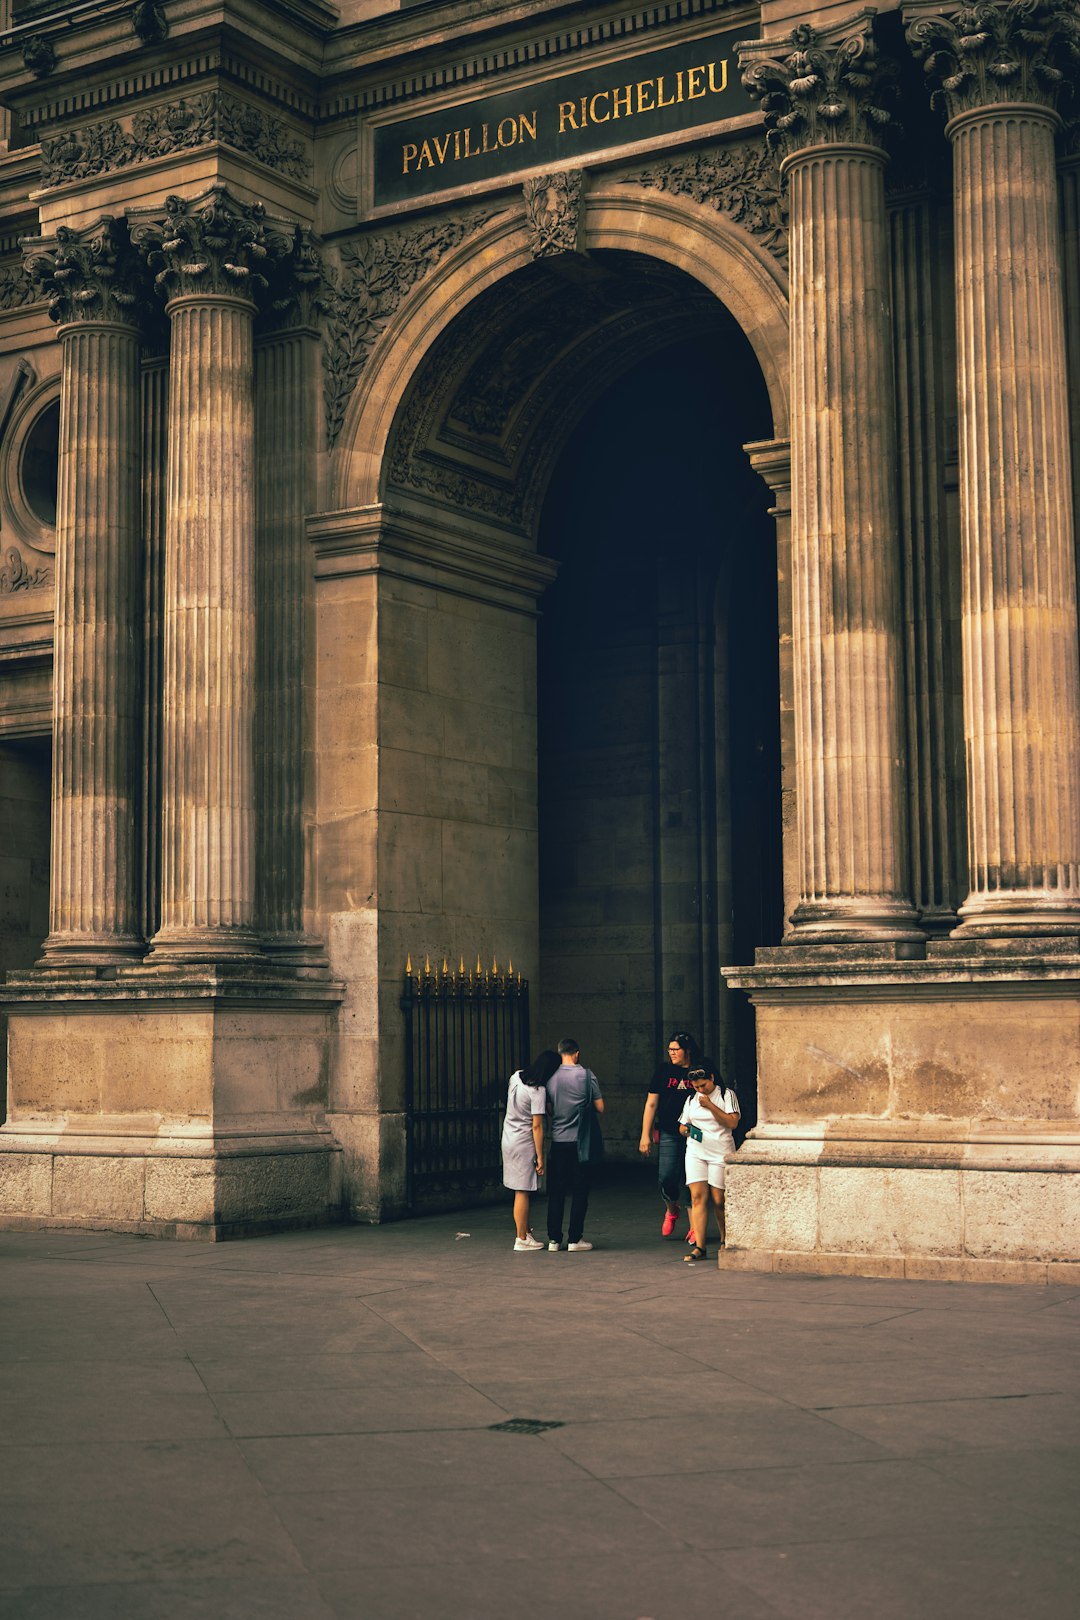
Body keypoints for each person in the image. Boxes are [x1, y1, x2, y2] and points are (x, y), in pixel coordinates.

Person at [638, 1032, 700, 1239]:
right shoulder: (663, 1071)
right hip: (669, 1131)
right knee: (666, 1176)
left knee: (694, 1179)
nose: (671, 1053)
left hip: (696, 1132)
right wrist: (645, 1135)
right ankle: (672, 1209)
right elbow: (652, 1103)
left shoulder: (700, 1068)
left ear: (687, 1050)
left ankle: (695, 1227)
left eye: (676, 1049)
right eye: (670, 1049)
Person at [545, 1038, 604, 1252]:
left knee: (557, 1192)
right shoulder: (587, 1076)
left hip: (558, 1142)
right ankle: (574, 1239)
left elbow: (549, 1109)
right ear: (577, 1053)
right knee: (580, 1191)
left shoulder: (551, 1077)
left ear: (560, 1052)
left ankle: (553, 1239)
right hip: (581, 1144)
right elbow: (600, 1106)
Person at [678, 1065, 739, 1262]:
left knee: (719, 1199)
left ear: (712, 1078)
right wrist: (687, 1130)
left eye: (704, 1085)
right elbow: (682, 1125)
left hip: (720, 1151)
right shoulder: (691, 1099)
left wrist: (710, 1106)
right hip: (696, 1150)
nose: (701, 1090)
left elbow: (732, 1123)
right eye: (696, 1087)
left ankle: (725, 1239)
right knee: (697, 1197)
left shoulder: (726, 1094)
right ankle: (700, 1246)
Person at [501, 1049, 560, 1251]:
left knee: (519, 1187)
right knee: (523, 1190)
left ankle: (525, 1232)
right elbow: (537, 1126)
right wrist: (540, 1155)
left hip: (508, 1137)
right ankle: (521, 1238)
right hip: (524, 1142)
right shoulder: (537, 1092)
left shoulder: (516, 1076)